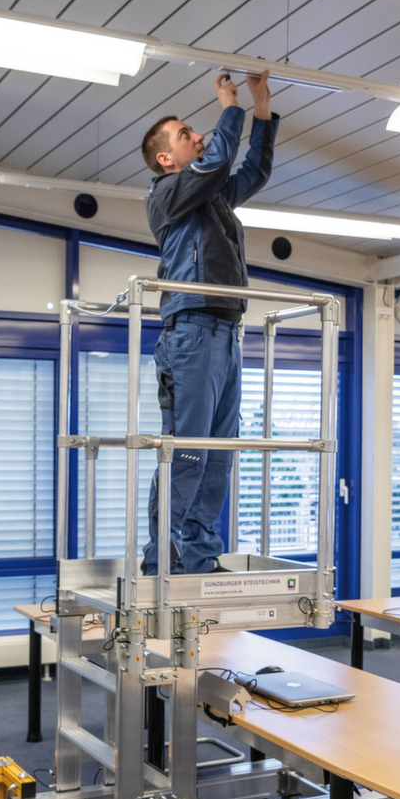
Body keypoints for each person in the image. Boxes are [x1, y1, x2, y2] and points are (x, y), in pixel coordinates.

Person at [139, 69, 279, 576]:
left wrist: (260, 107)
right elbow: (218, 159)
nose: (197, 136)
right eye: (185, 135)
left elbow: (252, 172)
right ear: (165, 158)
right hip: (192, 335)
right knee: (187, 454)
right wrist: (229, 107)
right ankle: (162, 560)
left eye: (195, 131)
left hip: (228, 334)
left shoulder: (210, 196)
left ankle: (199, 556)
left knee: (218, 458)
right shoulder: (166, 194)